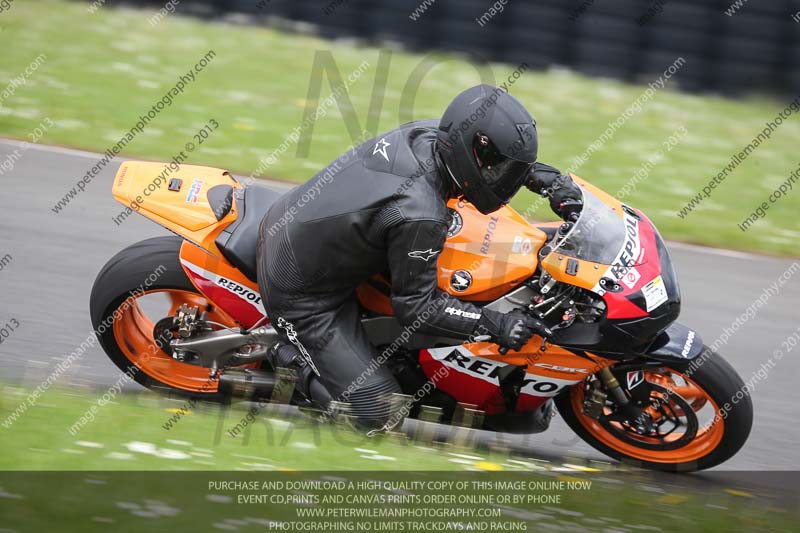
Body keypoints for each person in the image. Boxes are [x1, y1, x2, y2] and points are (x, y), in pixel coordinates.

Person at [257, 84, 582, 431]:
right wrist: (497, 325)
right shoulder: (420, 213)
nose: (503, 180)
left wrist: (544, 179)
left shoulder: (431, 135)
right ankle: (286, 358)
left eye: (509, 170)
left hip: (304, 227)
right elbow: (417, 309)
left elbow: (488, 159)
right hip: (303, 296)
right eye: (502, 170)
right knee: (380, 416)